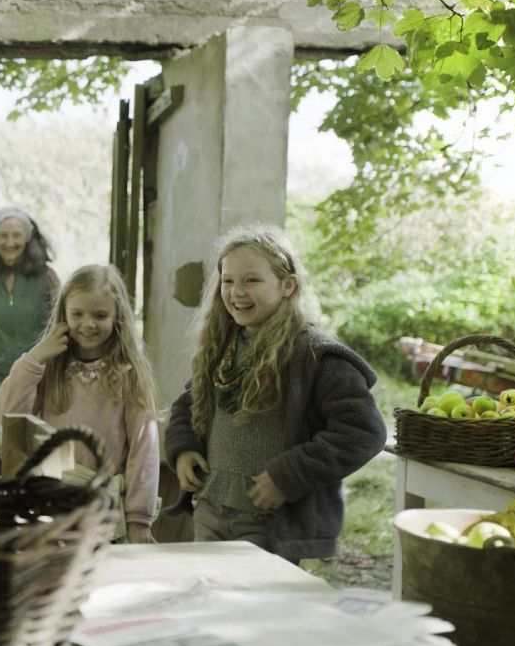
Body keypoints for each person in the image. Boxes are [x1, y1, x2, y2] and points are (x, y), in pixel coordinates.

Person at [164, 223, 385, 563]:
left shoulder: (313, 355)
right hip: (210, 508)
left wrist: (289, 476)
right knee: (212, 604)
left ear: (287, 285)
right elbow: (188, 404)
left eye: (251, 280)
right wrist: (183, 449)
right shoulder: (223, 348)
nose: (237, 291)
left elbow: (363, 431)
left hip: (271, 521)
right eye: (228, 280)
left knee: (258, 611)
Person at [0, 264, 160, 543]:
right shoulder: (49, 368)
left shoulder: (128, 373)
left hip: (101, 507)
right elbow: (9, 415)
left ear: (117, 317)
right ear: (63, 314)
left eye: (100, 315)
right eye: (77, 314)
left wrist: (138, 518)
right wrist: (35, 358)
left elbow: (144, 447)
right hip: (51, 503)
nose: (88, 324)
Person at [0, 205, 59, 475]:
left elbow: (61, 327)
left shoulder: (47, 278)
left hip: (40, 376)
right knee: (2, 445)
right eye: (3, 235)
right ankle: (2, 508)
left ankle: (47, 508)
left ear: (29, 237)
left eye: (16, 235)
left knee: (42, 445)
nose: (10, 242)